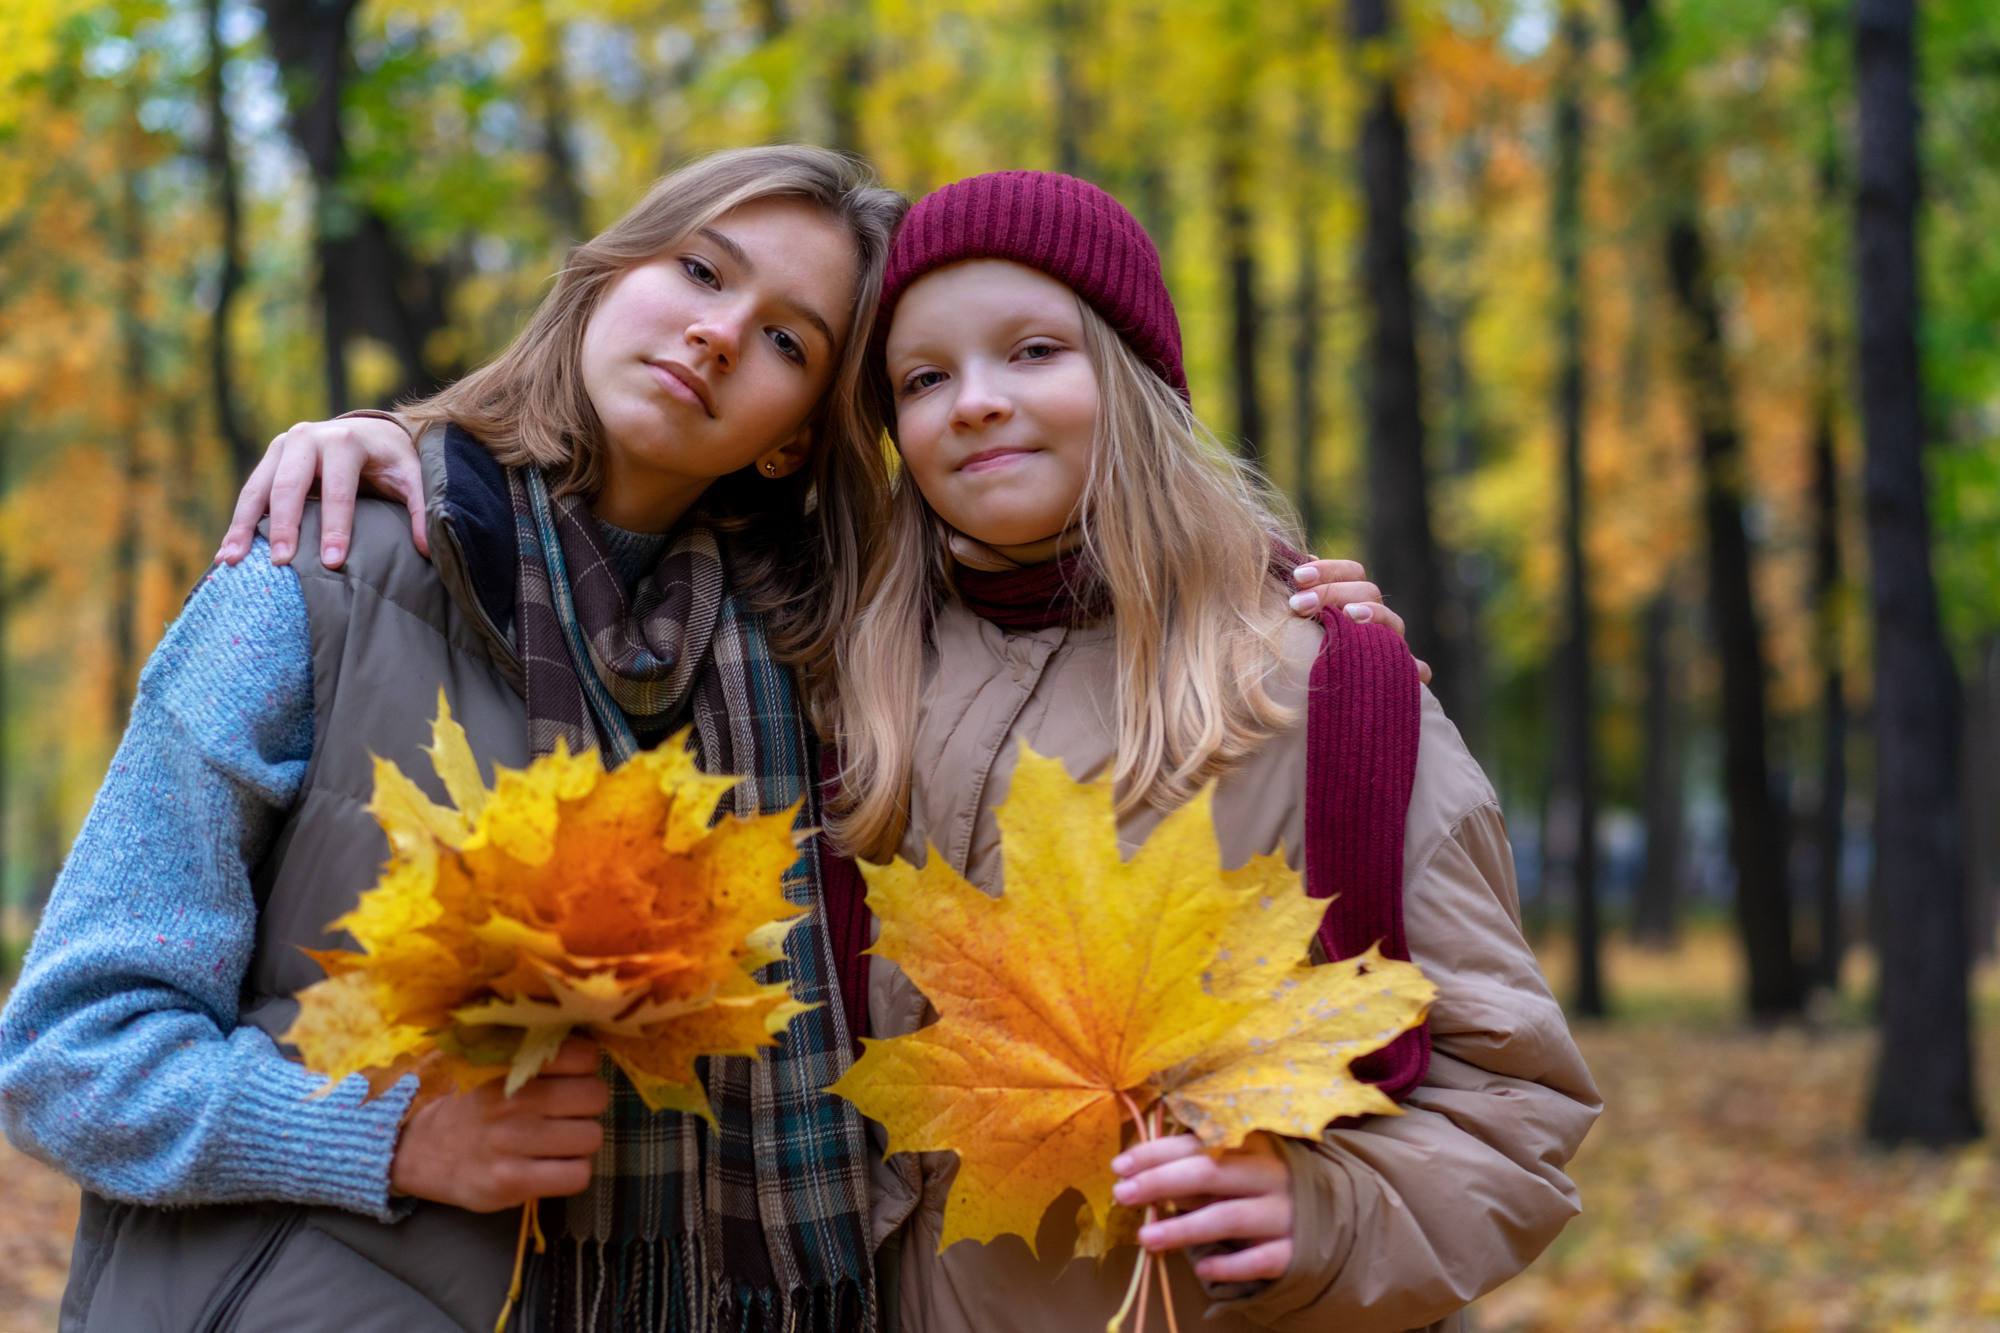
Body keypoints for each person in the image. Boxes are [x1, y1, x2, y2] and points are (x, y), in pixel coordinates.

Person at [0, 144, 907, 1333]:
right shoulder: (322, 568)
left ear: (793, 435)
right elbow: (69, 1054)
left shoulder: (821, 686)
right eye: (697, 270)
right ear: (605, 278)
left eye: (789, 340)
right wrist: (388, 1137)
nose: (720, 335)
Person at [828, 171, 1600, 1333]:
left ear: (1135, 382)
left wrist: (1327, 1212)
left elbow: (1507, 1100)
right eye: (922, 378)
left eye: (1033, 350)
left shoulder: (1308, 688)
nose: (974, 401)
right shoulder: (854, 687)